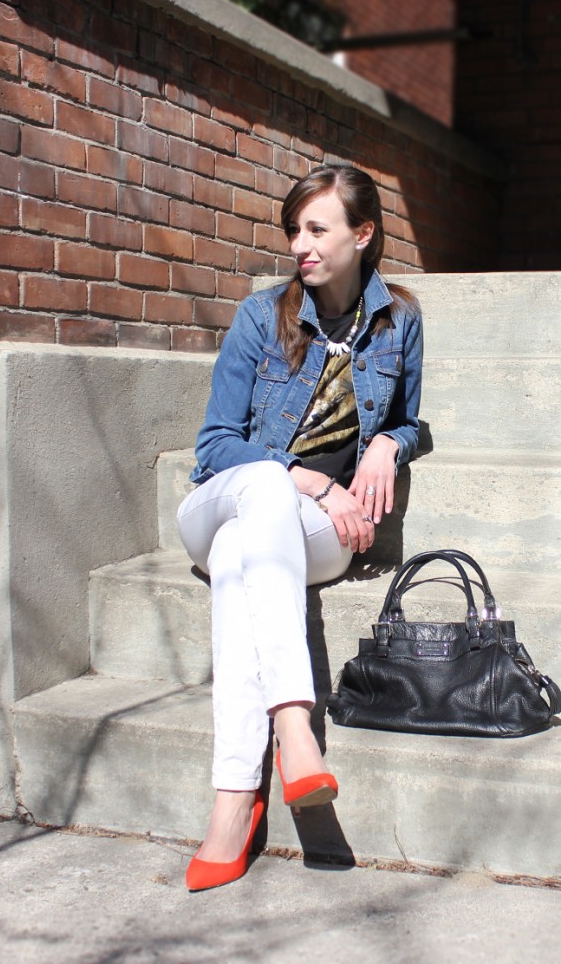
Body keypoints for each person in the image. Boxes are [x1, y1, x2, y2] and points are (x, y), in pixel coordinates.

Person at [177, 164, 423, 891]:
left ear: (363, 234)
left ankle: (231, 803)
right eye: (294, 230)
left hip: (298, 533)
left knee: (237, 558)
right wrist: (313, 478)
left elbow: (410, 418)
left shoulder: (399, 320)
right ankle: (293, 725)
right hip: (223, 497)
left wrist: (387, 444)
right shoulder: (262, 316)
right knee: (256, 488)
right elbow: (216, 444)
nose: (299, 246)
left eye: (316, 229)